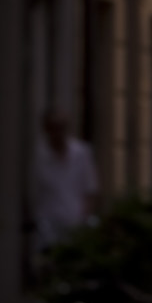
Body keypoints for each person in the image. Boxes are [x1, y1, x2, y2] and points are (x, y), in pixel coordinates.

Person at [30, 109, 99, 262]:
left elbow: (90, 190)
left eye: (61, 127)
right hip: (48, 229)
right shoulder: (39, 157)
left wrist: (84, 220)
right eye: (53, 128)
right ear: (46, 130)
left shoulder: (81, 153)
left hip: (74, 227)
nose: (58, 133)